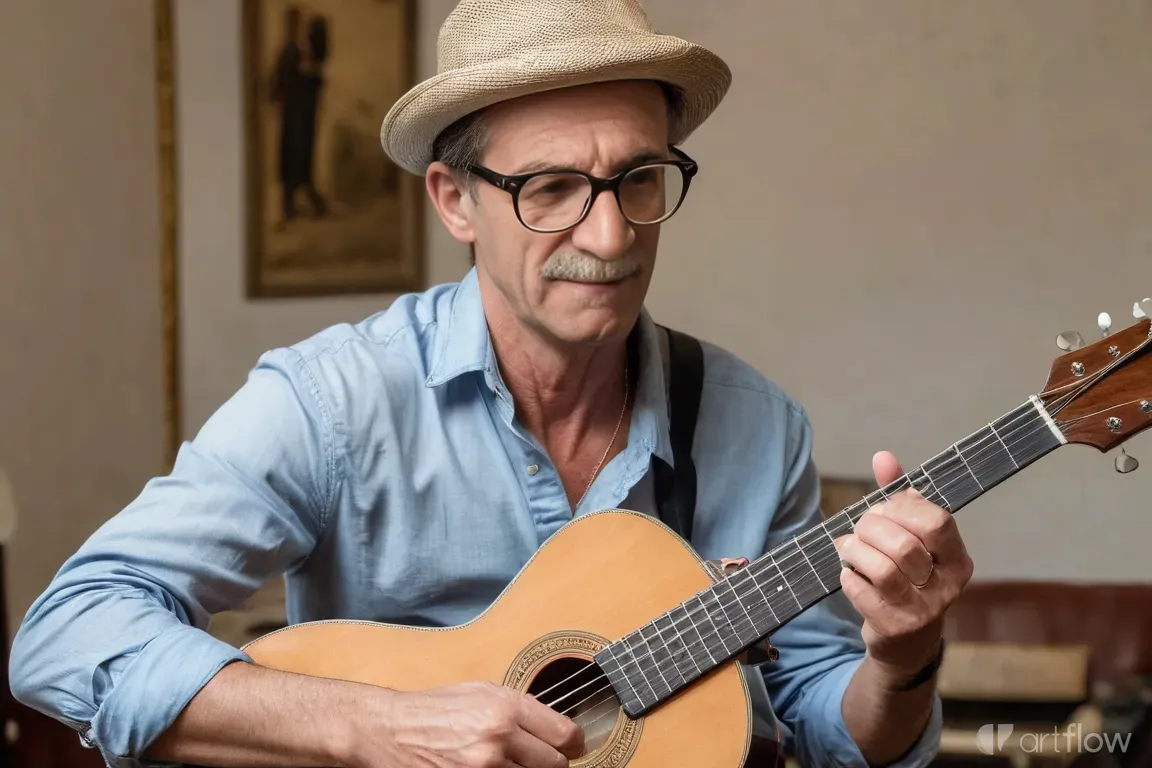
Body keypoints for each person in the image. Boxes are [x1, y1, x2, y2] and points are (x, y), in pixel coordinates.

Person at [10, 1, 971, 767]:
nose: (610, 237)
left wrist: (903, 655)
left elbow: (833, 730)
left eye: (639, 178)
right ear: (455, 200)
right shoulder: (336, 402)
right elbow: (66, 632)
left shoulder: (755, 427)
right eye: (550, 187)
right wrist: (378, 728)